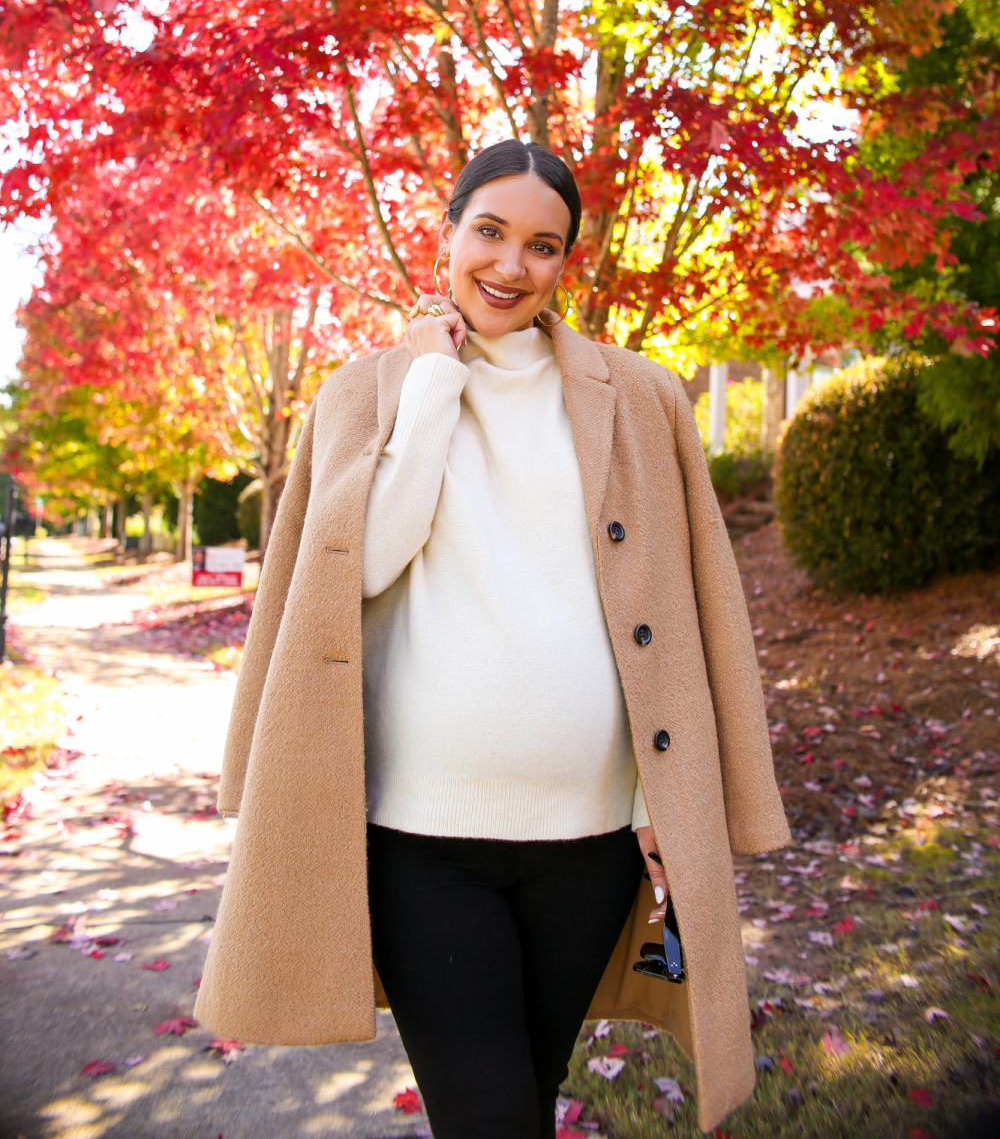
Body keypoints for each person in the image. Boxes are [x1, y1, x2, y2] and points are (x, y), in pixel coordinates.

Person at [194, 140, 789, 1137]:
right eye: (490, 233)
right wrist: (431, 389)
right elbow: (361, 570)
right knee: (490, 1120)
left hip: (588, 840)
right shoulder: (363, 393)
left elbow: (682, 611)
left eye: (543, 246)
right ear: (446, 236)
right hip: (420, 840)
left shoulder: (638, 397)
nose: (511, 267)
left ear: (567, 262)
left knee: (525, 1092)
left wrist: (656, 795)